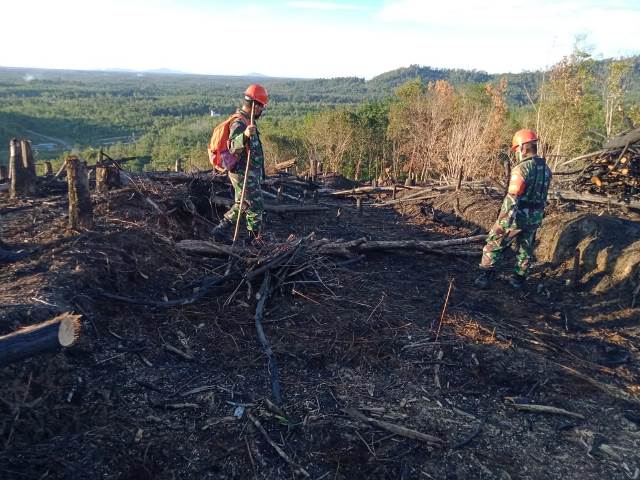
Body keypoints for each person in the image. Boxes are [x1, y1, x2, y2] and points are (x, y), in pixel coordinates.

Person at [474, 129, 552, 289]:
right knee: (526, 247)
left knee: (494, 243)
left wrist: (502, 224)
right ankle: (519, 279)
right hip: (536, 217)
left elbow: (512, 199)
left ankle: (485, 276)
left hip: (518, 217)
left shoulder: (521, 169)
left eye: (516, 150)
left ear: (523, 148)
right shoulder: (546, 169)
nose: (516, 153)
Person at [212, 84, 268, 243]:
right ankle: (254, 240)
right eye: (261, 107)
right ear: (256, 106)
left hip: (248, 172)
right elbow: (232, 147)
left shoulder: (247, 121)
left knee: (244, 203)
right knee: (255, 204)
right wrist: (244, 135)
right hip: (243, 172)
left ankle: (221, 231)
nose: (261, 111)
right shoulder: (239, 123)